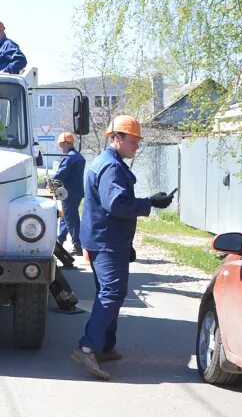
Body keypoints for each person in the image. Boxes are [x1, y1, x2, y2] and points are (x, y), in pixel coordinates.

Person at [71, 115, 174, 379]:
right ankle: (88, 347)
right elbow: (116, 205)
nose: (136, 147)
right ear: (117, 138)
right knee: (113, 292)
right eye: (133, 141)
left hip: (105, 239)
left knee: (108, 292)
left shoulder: (106, 162)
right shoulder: (111, 167)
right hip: (106, 241)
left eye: (137, 142)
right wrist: (149, 202)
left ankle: (104, 345)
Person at [52, 132, 86, 256]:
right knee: (66, 216)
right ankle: (60, 240)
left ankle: (78, 246)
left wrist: (50, 179)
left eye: (61, 144)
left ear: (67, 143)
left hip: (68, 193)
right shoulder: (79, 157)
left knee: (71, 220)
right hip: (76, 192)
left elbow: (60, 175)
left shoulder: (69, 158)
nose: (61, 147)